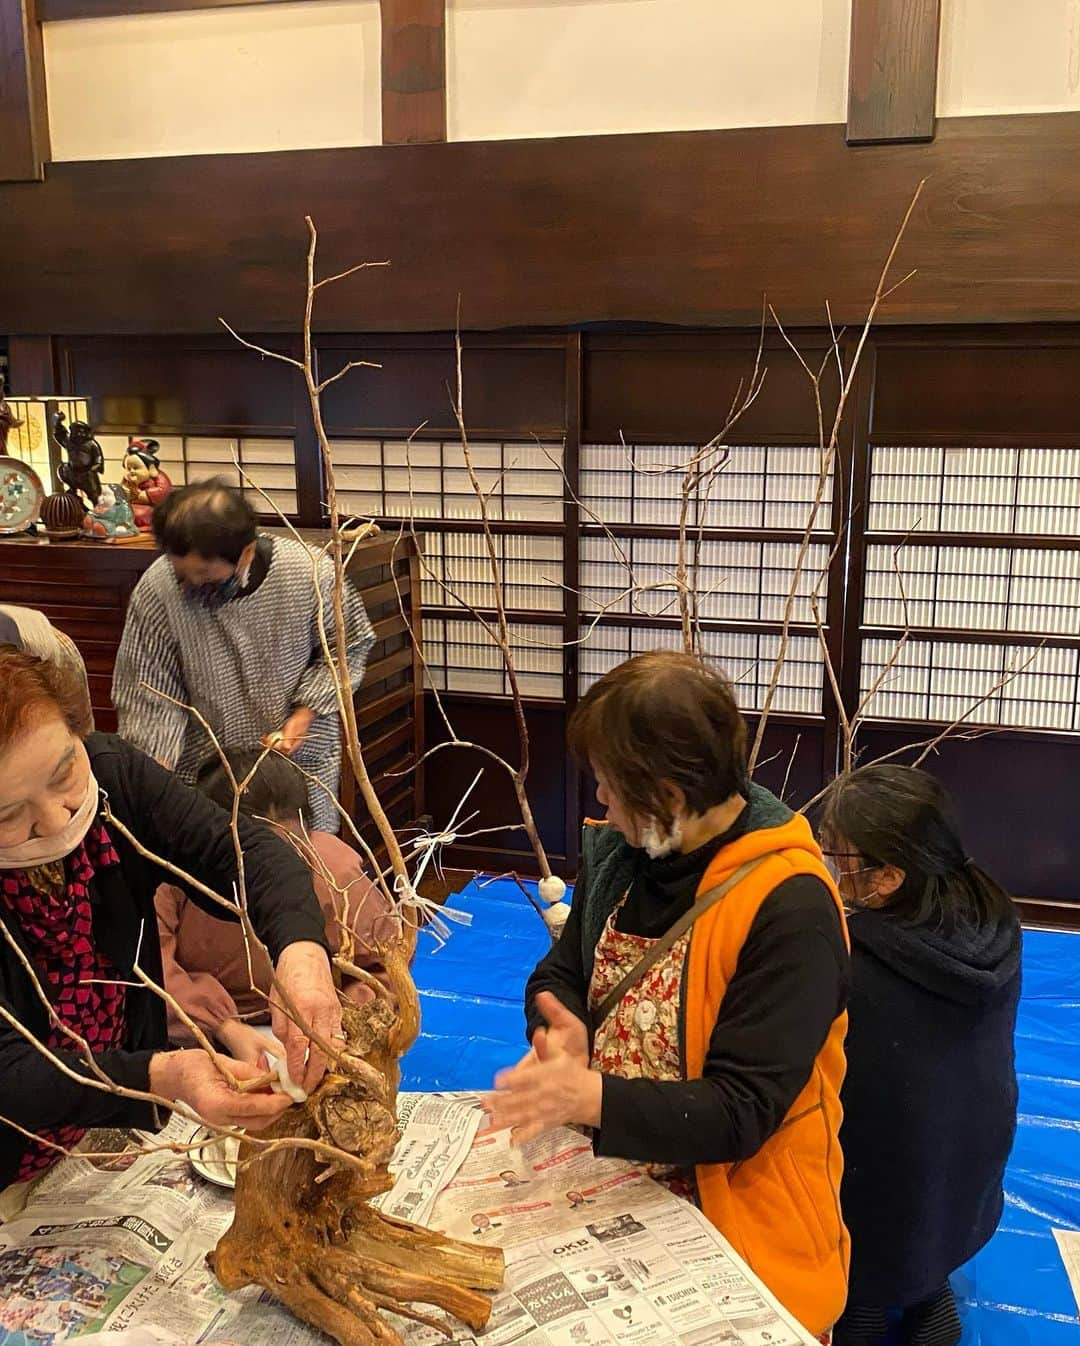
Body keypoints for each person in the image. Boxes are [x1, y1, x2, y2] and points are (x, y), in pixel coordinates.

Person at [484, 651, 850, 1340]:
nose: (601, 802)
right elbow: (561, 971)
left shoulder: (789, 906)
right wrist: (558, 1029)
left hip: (737, 1202)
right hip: (621, 1168)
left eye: (610, 787)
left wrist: (589, 1099)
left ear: (670, 798)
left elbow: (744, 1111)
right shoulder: (627, 856)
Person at [0, 641, 343, 1202]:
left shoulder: (113, 779)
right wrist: (163, 1076)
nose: (58, 816)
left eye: (64, 773)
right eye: (10, 814)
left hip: (98, 1132)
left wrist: (302, 955)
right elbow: (8, 1070)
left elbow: (243, 850)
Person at [819, 764, 1021, 1346]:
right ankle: (926, 1291)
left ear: (886, 878)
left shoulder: (859, 957)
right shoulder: (993, 913)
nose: (830, 862)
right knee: (926, 1197)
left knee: (867, 1165)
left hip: (884, 1177)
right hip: (974, 1154)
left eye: (838, 855)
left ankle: (872, 1299)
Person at [112, 480, 374, 832]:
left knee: (299, 864)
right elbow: (149, 692)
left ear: (246, 553)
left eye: (204, 575)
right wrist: (153, 777)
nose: (189, 585)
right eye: (181, 573)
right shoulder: (158, 589)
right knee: (217, 863)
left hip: (295, 766)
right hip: (208, 770)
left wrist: (303, 714)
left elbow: (348, 649)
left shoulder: (309, 573)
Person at [155, 747, 397, 1063]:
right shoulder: (170, 875)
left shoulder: (338, 873)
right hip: (200, 1040)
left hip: (314, 1033)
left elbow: (383, 969)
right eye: (252, 857)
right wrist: (222, 1026)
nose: (273, 872)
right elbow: (151, 971)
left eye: (288, 853)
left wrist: (349, 1013)